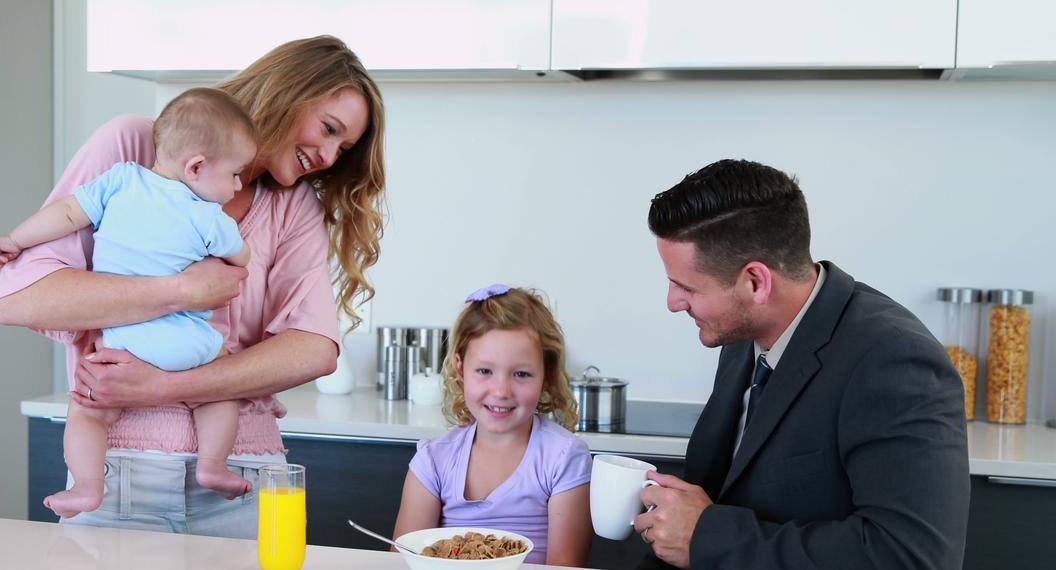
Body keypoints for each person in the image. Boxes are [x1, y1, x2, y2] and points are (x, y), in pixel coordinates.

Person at [0, 35, 386, 537]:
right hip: (118, 471)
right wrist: (181, 290)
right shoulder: (135, 149)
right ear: (286, 93)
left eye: (344, 147)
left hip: (244, 472)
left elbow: (313, 350)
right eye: (328, 129)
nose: (330, 155)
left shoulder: (293, 205)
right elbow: (21, 300)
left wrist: (169, 386)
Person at [635, 159, 969, 569]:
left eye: (686, 286)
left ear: (756, 282)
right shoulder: (742, 334)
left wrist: (708, 536)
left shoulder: (894, 360)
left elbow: (910, 557)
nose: (673, 302)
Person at [0, 88, 260, 517]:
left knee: (87, 413)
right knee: (218, 394)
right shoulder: (209, 216)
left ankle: (87, 486)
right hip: (189, 346)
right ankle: (212, 466)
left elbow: (65, 214)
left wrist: (14, 240)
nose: (238, 184)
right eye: (235, 174)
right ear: (196, 167)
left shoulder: (119, 181)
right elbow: (241, 257)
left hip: (122, 347)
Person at [392, 285, 593, 566]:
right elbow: (404, 562)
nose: (501, 391)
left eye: (521, 374)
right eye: (484, 371)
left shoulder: (563, 458)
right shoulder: (433, 461)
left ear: (545, 376)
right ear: (461, 368)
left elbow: (564, 567)